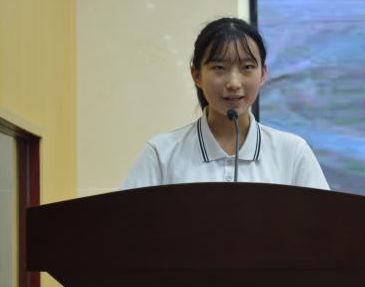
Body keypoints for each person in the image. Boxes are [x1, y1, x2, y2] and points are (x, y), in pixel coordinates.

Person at [122, 17, 329, 190]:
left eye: (247, 67)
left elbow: (323, 223)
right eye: (219, 68)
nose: (234, 83)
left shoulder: (293, 153)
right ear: (196, 75)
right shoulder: (161, 154)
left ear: (263, 74)